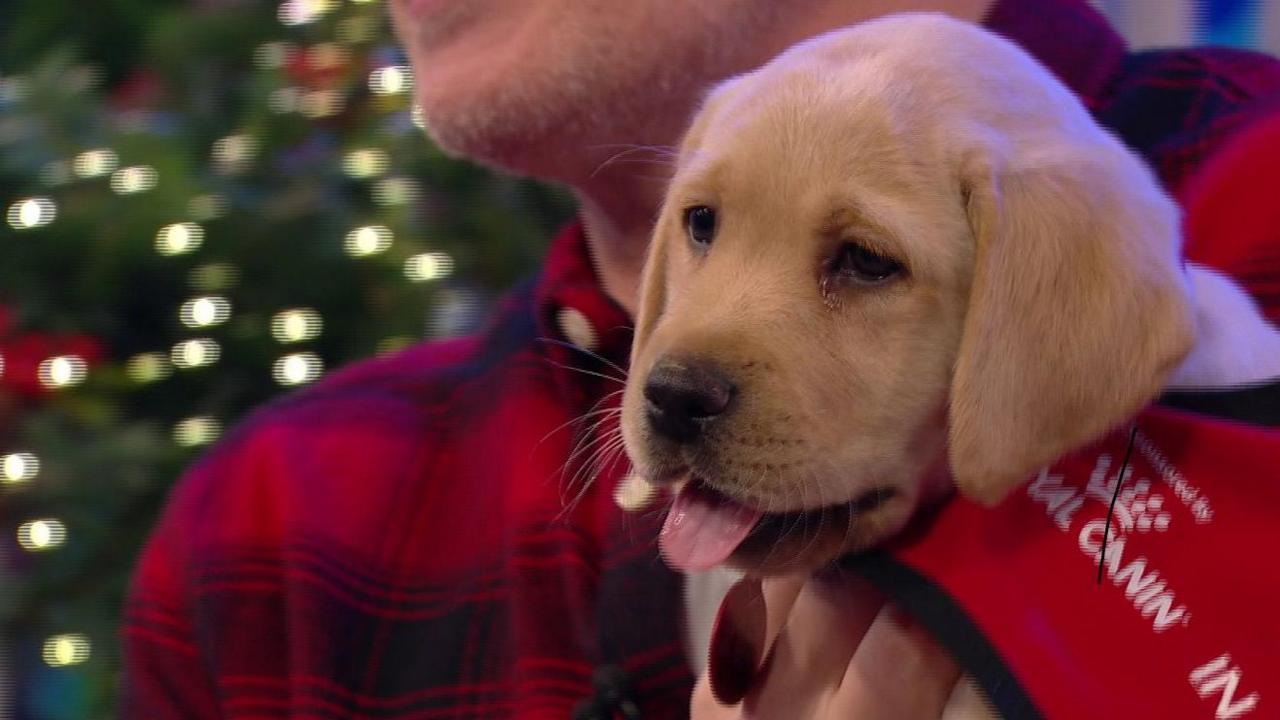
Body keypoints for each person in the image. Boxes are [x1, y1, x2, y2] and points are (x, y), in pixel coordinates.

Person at [121, 0, 1280, 717]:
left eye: (863, 262)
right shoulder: (272, 519)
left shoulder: (1239, 212)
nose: (674, 370)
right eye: (704, 225)